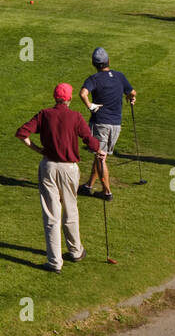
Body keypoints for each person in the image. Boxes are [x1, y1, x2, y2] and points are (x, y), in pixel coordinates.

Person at [15, 82, 102, 272]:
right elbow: (90, 141)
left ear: (55, 97)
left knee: (51, 215)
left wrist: (37, 149)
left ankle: (54, 262)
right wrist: (99, 150)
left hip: (48, 167)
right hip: (69, 169)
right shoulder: (76, 116)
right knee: (70, 209)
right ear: (69, 98)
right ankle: (76, 251)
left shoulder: (45, 114)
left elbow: (22, 133)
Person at [79, 47, 136, 202]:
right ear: (108, 61)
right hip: (116, 125)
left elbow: (83, 93)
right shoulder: (119, 76)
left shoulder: (94, 79)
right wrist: (131, 98)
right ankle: (88, 186)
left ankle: (107, 192)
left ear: (94, 63)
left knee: (100, 157)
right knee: (100, 156)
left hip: (101, 124)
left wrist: (90, 106)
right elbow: (132, 92)